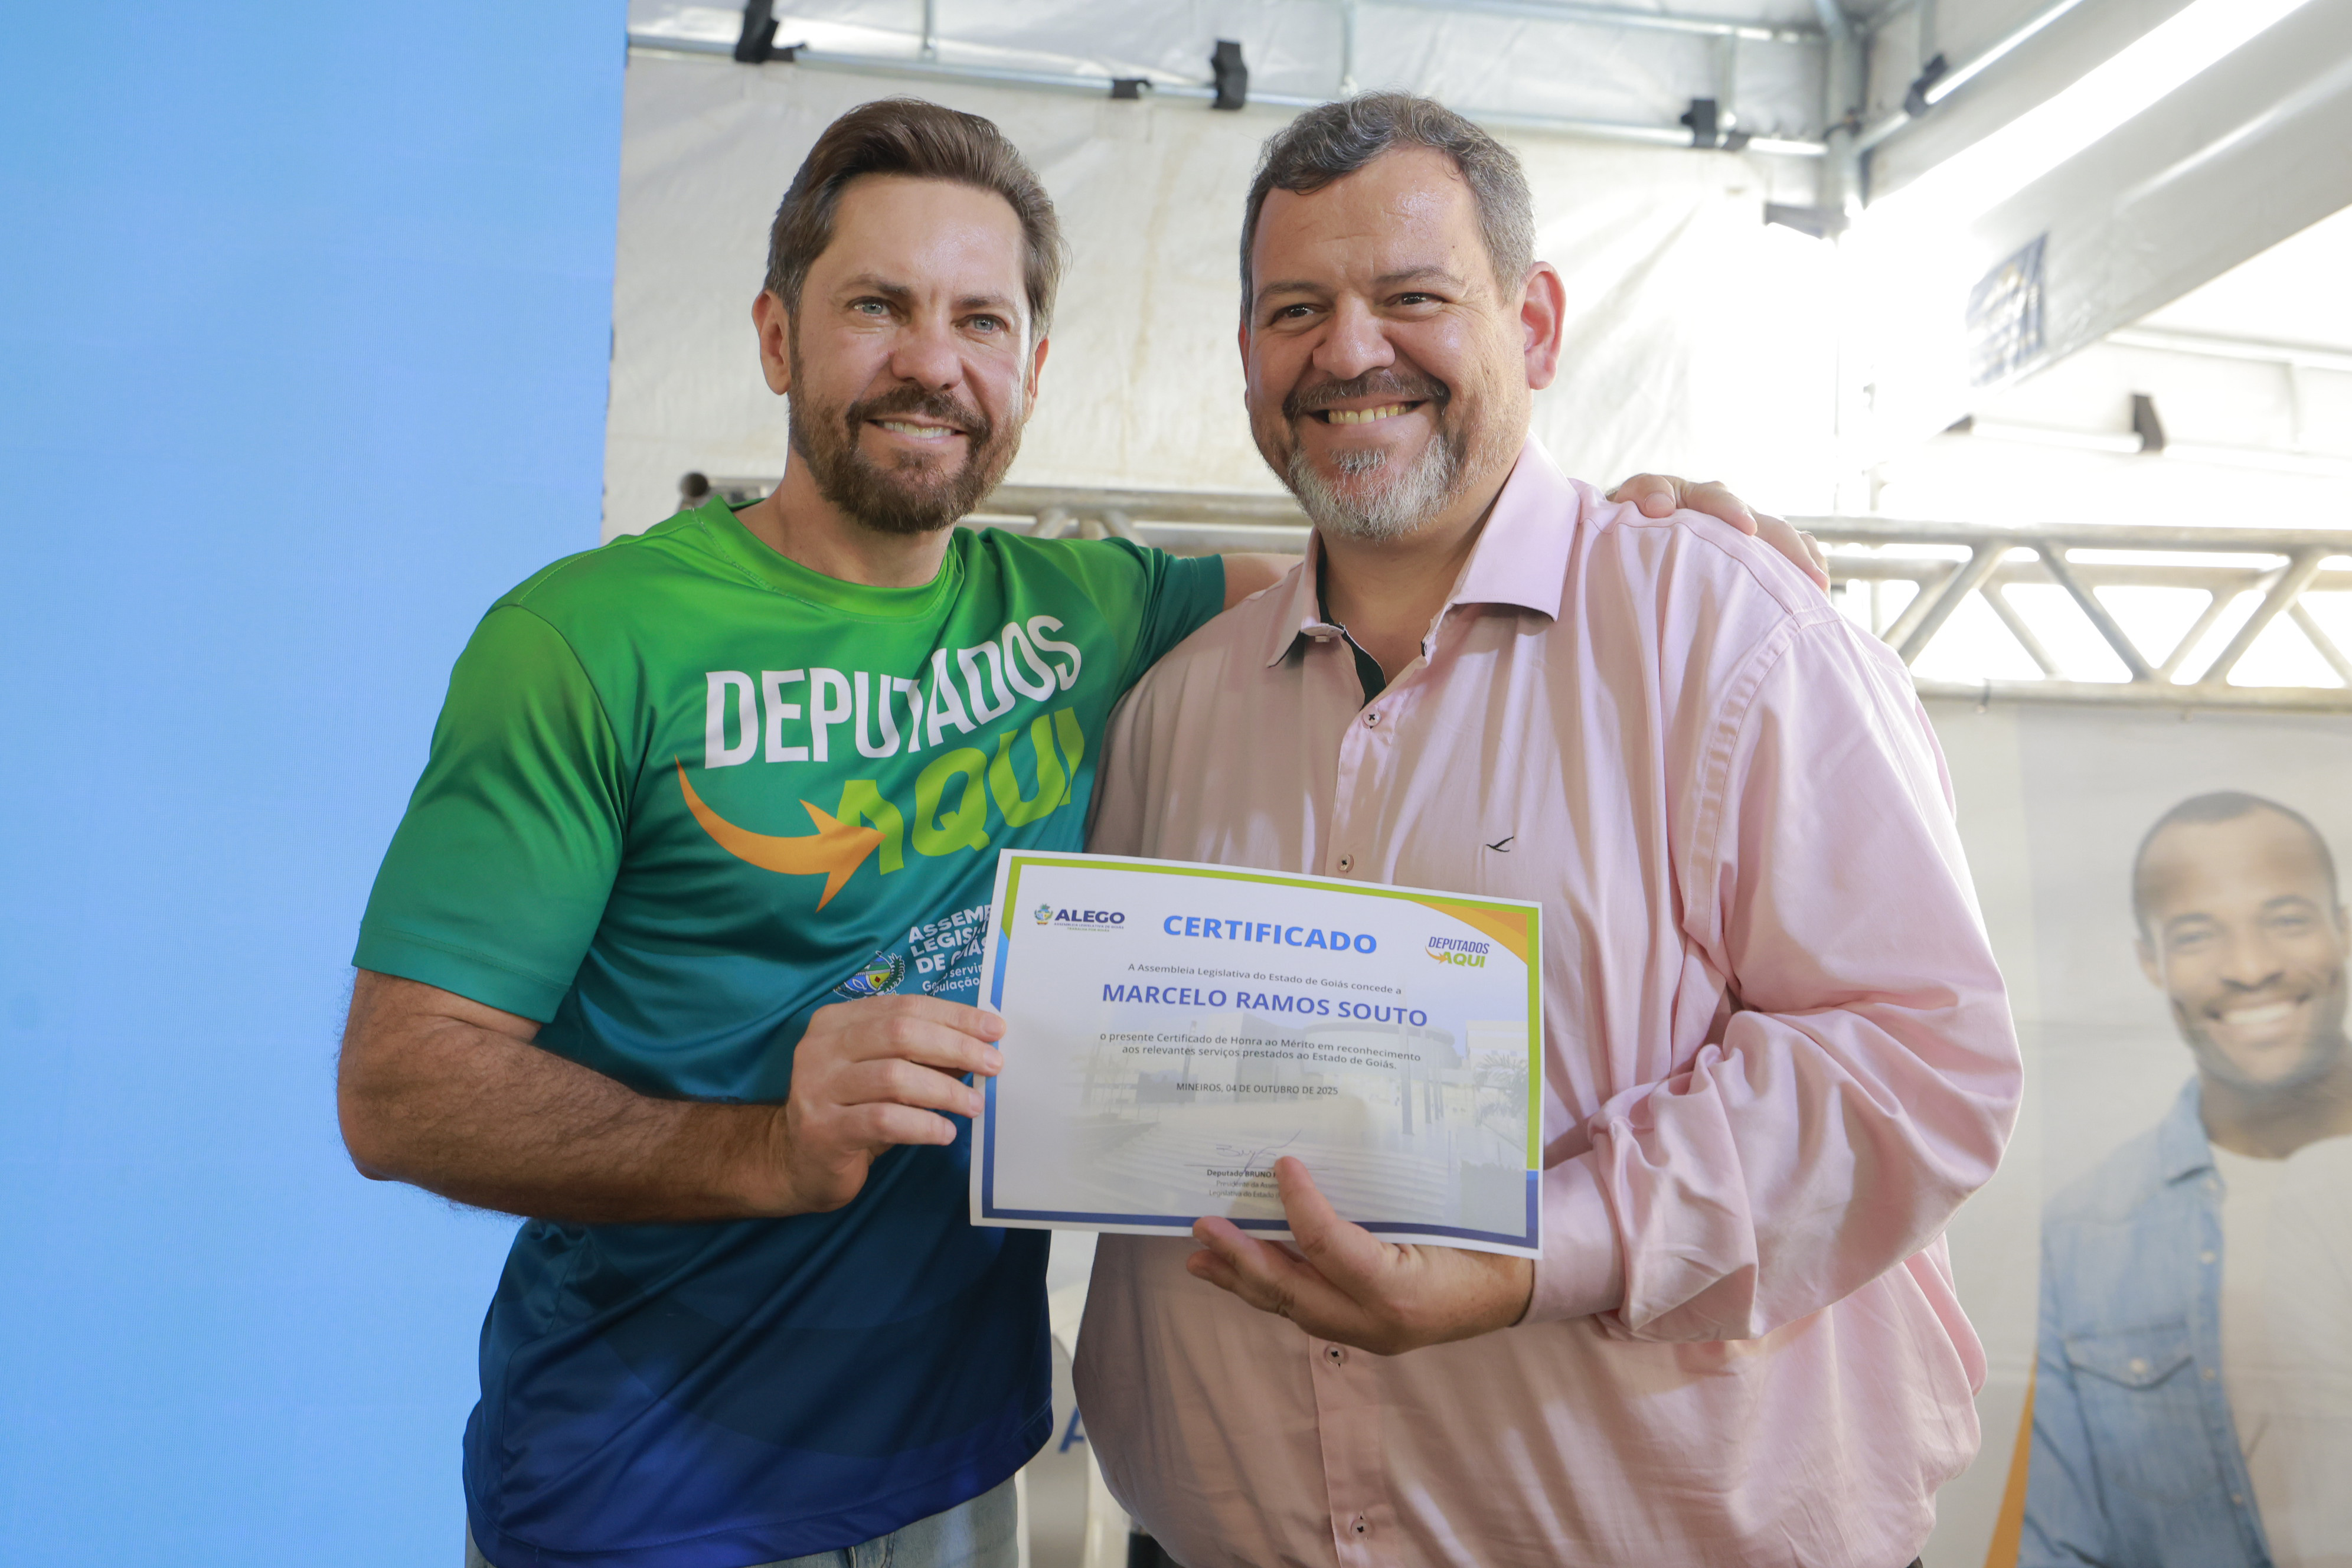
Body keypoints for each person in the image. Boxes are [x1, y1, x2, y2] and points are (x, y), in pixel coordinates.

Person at [337, 97, 1817, 1568]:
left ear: (1033, 370)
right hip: (644, 1482)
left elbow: (1402, 558)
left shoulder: (1091, 612)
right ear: (778, 336)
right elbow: (402, 1089)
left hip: (961, 1467)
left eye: (981, 320)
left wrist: (1632, 532)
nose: (933, 361)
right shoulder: (586, 639)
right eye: (877, 306)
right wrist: (763, 1147)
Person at [1074, 92, 2023, 1568]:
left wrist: (1537, 1252)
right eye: (1295, 309)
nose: (1348, 352)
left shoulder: (1734, 634)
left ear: (1534, 324)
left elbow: (1915, 1063)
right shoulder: (1174, 711)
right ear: (1248, 351)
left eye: (1412, 297)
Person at [2024, 791, 2352, 1568]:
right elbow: (2059, 1545)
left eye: (2287, 918)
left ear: (2343, 926)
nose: (2252, 967)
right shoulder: (2088, 1233)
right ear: (2152, 962)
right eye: (2199, 934)